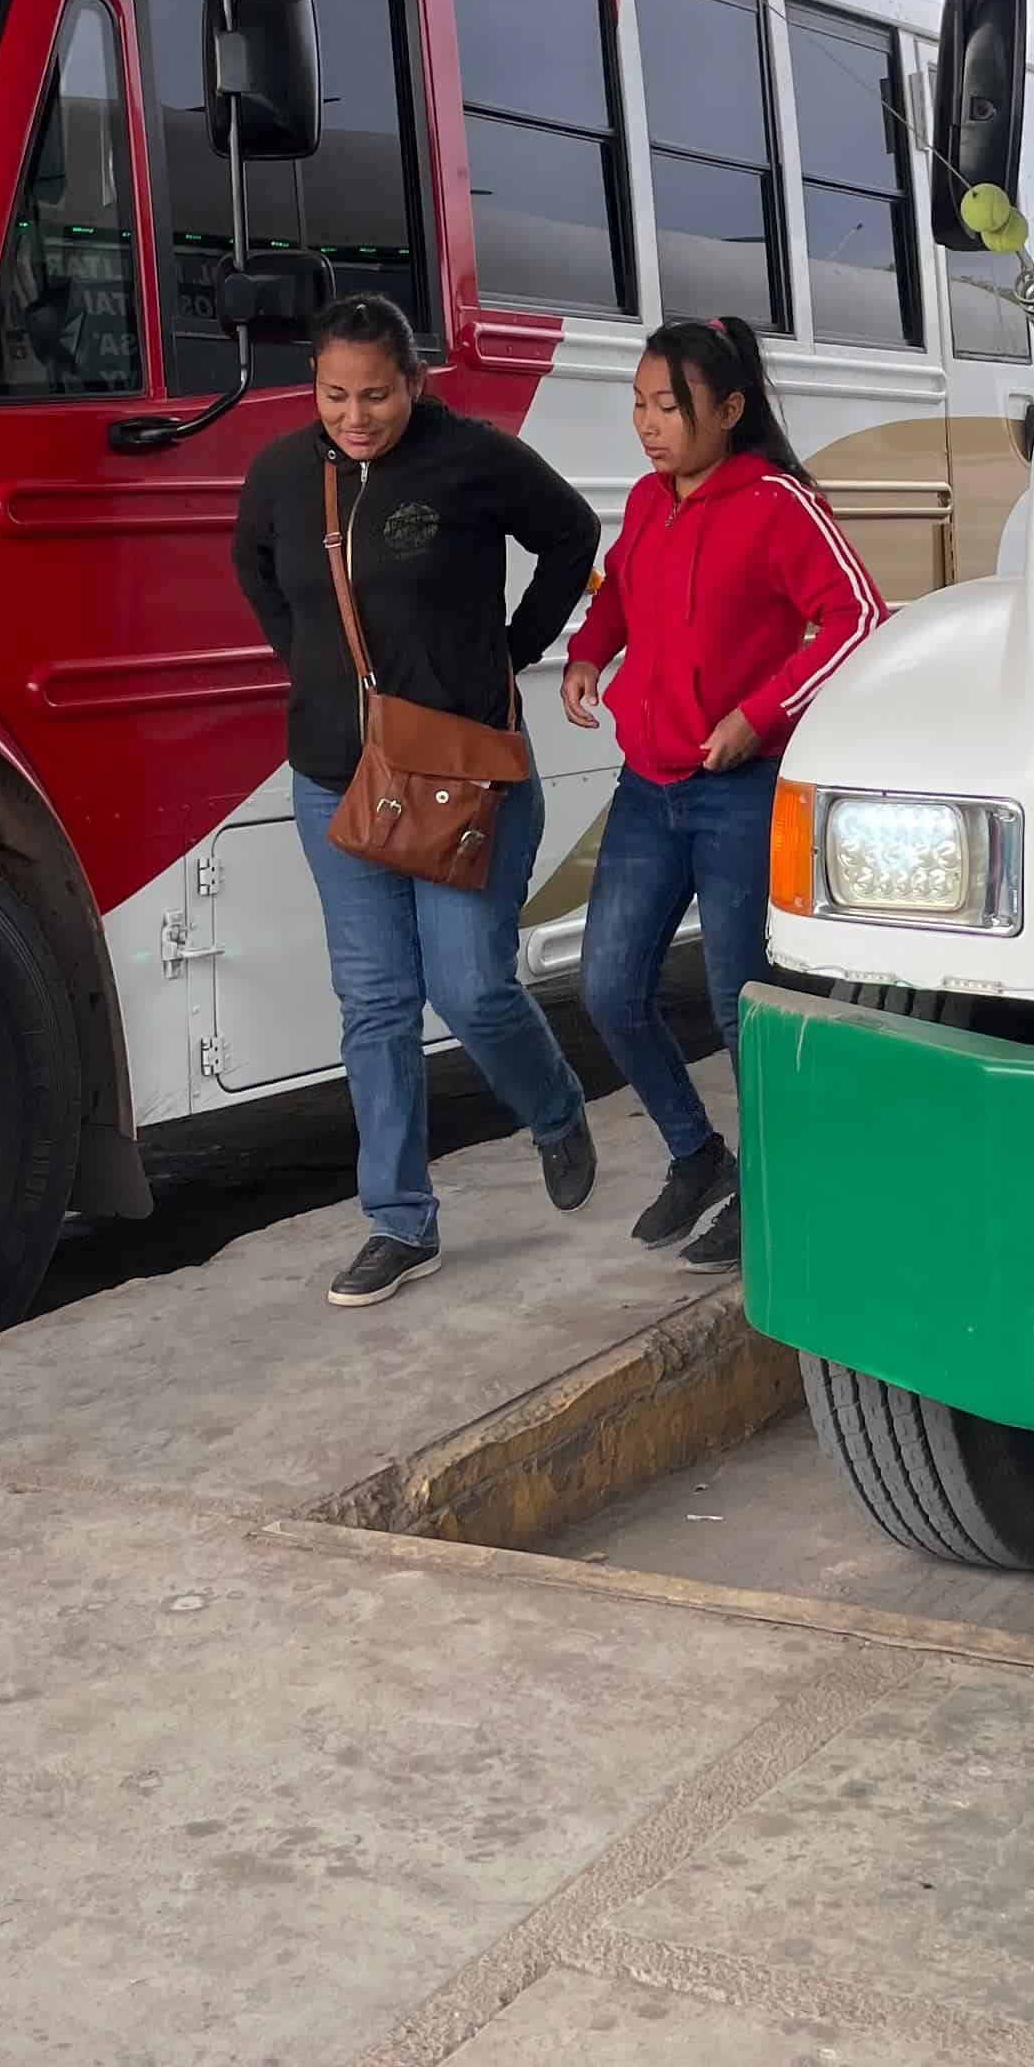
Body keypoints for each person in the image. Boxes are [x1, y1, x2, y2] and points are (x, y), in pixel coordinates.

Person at [229, 294, 605, 1308]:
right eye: (335, 395)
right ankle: (399, 1221)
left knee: (472, 986)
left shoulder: (470, 459)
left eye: (377, 396)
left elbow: (571, 535)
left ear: (415, 384)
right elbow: (257, 571)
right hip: (335, 779)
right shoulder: (281, 473)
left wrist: (512, 651)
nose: (355, 417)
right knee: (376, 1004)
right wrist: (314, 674)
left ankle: (557, 1110)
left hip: (461, 769)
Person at [563, 317, 889, 1274]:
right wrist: (588, 655)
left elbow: (856, 613)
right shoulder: (646, 501)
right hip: (648, 787)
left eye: (669, 407)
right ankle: (696, 1155)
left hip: (739, 790)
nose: (648, 426)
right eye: (638, 404)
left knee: (743, 1003)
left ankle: (771, 1184)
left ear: (730, 409)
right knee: (609, 988)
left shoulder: (779, 503)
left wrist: (760, 712)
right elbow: (619, 592)